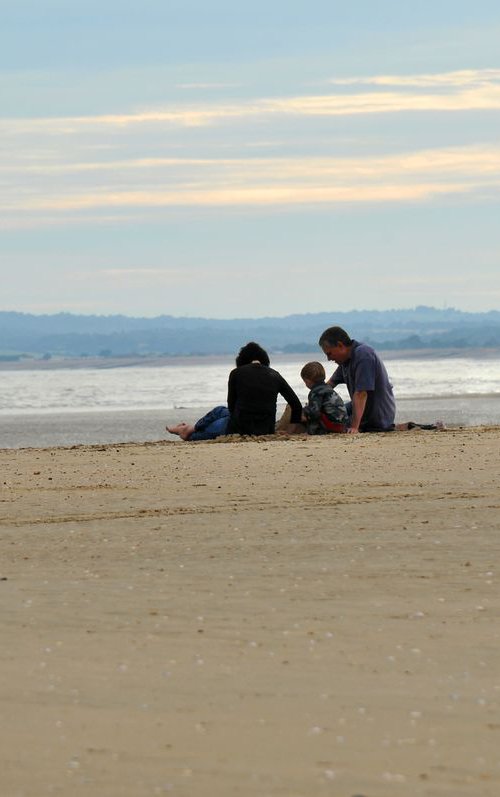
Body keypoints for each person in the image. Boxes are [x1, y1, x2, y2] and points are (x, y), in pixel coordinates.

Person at [167, 341, 303, 440]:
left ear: (242, 361)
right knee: (220, 412)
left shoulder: (236, 373)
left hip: (238, 428)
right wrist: (291, 431)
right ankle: (189, 428)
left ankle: (189, 429)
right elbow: (296, 405)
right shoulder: (275, 375)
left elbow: (231, 405)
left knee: (215, 417)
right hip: (265, 429)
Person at [318, 326, 396, 434]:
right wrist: (315, 400)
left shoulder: (363, 354)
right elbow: (330, 384)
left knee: (327, 423)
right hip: (361, 408)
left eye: (329, 354)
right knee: (328, 413)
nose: (329, 359)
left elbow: (361, 393)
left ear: (340, 345)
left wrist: (354, 427)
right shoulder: (345, 361)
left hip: (377, 417)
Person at [300, 361, 347, 434]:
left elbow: (314, 413)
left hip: (331, 425)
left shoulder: (315, 392)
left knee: (305, 412)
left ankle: (314, 431)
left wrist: (304, 411)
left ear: (307, 380)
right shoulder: (328, 388)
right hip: (343, 424)